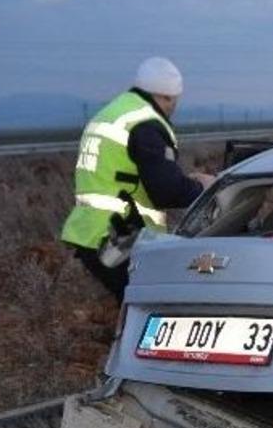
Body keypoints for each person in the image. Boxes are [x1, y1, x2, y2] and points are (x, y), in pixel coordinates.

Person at [60, 57, 215, 300]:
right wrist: (204, 187)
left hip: (91, 232)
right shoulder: (145, 124)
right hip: (120, 235)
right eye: (174, 101)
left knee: (135, 307)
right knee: (158, 304)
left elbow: (126, 174)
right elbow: (167, 191)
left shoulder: (114, 112)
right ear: (167, 96)